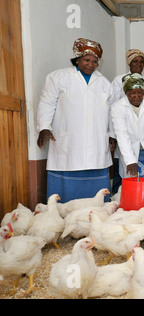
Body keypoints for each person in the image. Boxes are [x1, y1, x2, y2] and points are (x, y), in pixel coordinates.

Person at [36, 38, 114, 203]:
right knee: (65, 194)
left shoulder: (104, 83)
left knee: (97, 198)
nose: (90, 65)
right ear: (77, 58)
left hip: (97, 142)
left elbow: (111, 112)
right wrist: (44, 126)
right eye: (86, 60)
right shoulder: (57, 77)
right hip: (68, 140)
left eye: (94, 62)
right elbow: (47, 101)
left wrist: (112, 134)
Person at [110, 49, 144, 194]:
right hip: (128, 139)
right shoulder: (118, 85)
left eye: (141, 61)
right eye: (135, 61)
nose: (136, 96)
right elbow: (121, 130)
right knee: (129, 181)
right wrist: (112, 135)